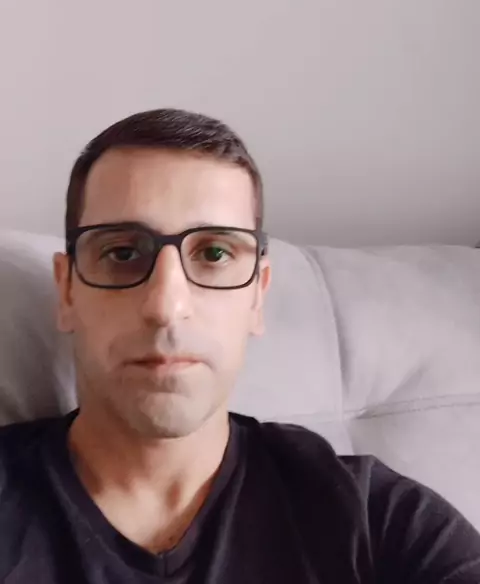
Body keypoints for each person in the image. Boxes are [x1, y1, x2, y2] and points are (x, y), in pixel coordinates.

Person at [0, 108, 479, 584]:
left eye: (214, 253)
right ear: (67, 290)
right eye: (122, 252)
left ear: (257, 296)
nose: (167, 306)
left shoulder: (376, 519)